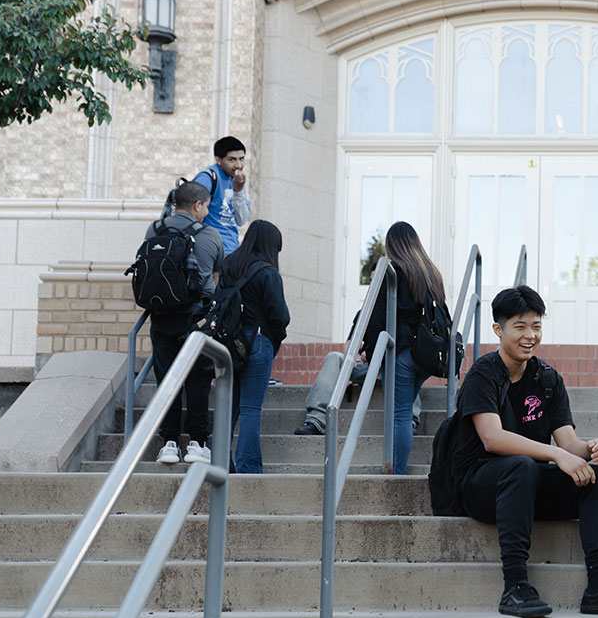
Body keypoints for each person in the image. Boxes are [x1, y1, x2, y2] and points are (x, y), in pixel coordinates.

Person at [450, 285, 598, 618]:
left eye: (537, 326)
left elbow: (569, 443)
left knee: (596, 478)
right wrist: (556, 455)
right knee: (521, 466)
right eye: (520, 326)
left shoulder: (546, 379)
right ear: (498, 330)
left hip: (525, 485)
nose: (531, 335)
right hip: (480, 485)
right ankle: (515, 587)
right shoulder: (483, 375)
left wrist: (588, 449)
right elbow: (492, 439)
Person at [295, 222, 436, 475]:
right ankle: (318, 419)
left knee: (401, 415)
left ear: (393, 245)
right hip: (424, 354)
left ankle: (396, 476)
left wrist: (370, 353)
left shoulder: (393, 273)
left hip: (397, 355)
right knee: (402, 410)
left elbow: (378, 322)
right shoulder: (429, 275)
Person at [150, 181, 225, 466]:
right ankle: (196, 443)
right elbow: (216, 280)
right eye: (206, 206)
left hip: (161, 316)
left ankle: (168, 443)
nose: (207, 211)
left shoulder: (154, 230)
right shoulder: (210, 235)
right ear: (198, 206)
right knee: (197, 380)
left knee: (166, 378)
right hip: (197, 316)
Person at [225, 221, 290, 474]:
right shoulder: (268, 273)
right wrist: (276, 339)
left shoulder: (229, 265)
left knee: (227, 409)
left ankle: (220, 464)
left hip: (228, 345)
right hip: (257, 342)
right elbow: (279, 315)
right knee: (251, 409)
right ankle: (249, 470)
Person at [194, 136, 250, 255]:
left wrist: (238, 191)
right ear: (218, 160)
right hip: (209, 250)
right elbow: (191, 209)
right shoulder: (208, 177)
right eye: (232, 160)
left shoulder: (237, 180)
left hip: (232, 251)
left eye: (241, 159)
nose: (239, 165)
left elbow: (241, 220)